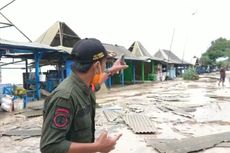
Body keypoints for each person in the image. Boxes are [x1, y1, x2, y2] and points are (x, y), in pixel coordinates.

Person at [40, 38, 128, 153]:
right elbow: (49, 146)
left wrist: (111, 71)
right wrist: (98, 147)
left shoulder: (85, 86)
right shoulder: (64, 97)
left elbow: (96, 85)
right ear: (97, 66)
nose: (105, 66)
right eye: (105, 63)